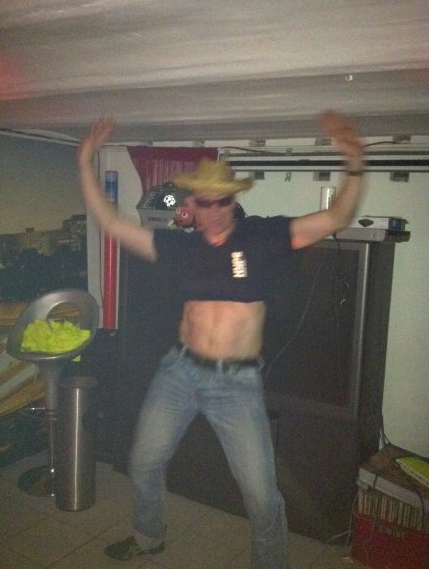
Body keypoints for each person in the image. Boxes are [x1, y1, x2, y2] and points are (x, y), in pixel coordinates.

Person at [76, 111, 364, 569]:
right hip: (179, 371)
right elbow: (112, 224)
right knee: (143, 462)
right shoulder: (180, 246)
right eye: (204, 202)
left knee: (261, 495)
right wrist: (85, 161)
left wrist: (354, 165)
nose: (213, 211)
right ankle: (149, 538)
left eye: (222, 202)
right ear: (193, 203)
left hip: (236, 383)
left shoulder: (262, 236)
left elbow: (337, 216)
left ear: (233, 201)